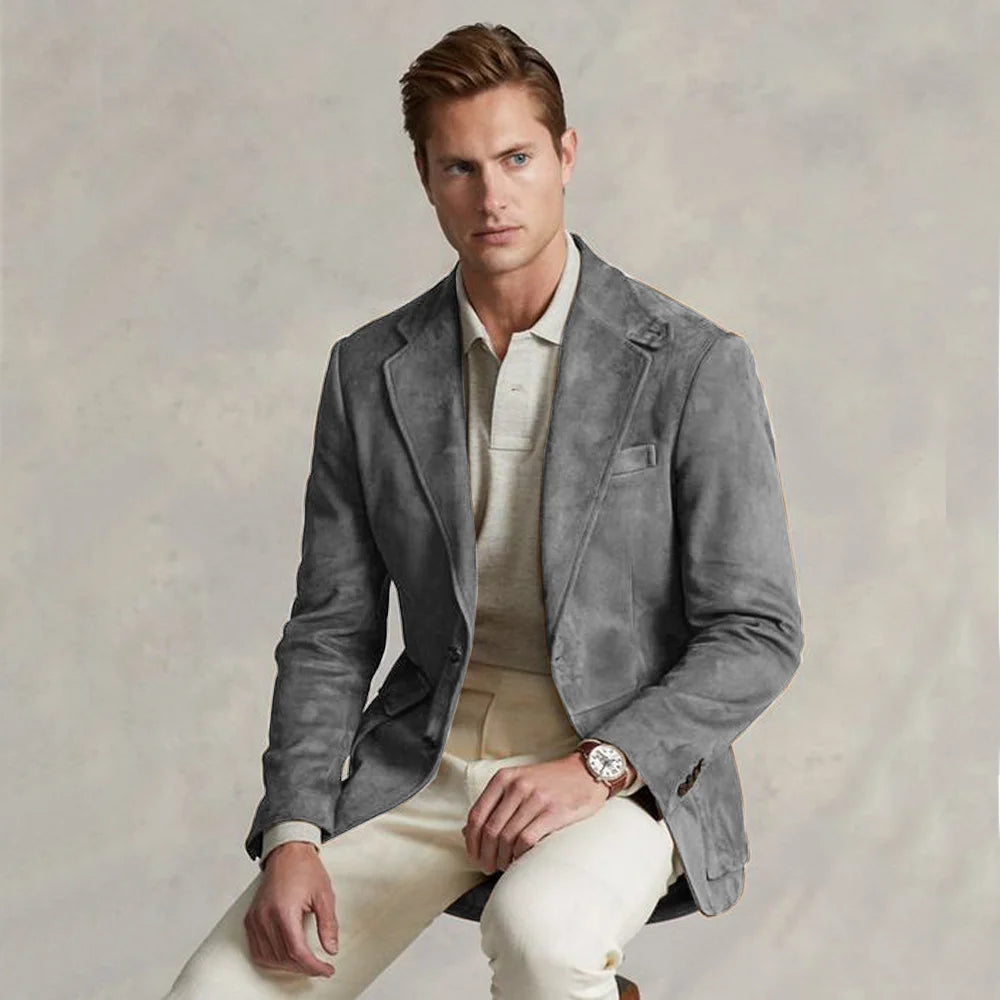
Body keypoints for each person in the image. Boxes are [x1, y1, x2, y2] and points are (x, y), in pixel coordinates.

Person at [163, 21, 804, 1000]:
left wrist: (597, 766)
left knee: (541, 936)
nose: (491, 195)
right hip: (424, 760)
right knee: (218, 992)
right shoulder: (370, 372)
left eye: (516, 158)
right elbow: (331, 630)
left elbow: (755, 633)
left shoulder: (689, 363)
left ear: (566, 155)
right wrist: (294, 831)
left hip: (623, 763)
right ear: (425, 178)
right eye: (459, 167)